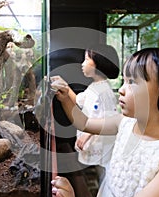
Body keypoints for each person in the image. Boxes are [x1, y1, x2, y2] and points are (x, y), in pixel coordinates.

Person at [50, 47, 159, 197]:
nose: (122, 90)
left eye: (132, 81)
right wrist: (65, 99)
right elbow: (84, 123)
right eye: (124, 81)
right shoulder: (125, 123)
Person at [51, 44, 120, 177]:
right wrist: (64, 85)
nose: (82, 64)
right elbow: (78, 100)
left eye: (86, 59)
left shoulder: (104, 90)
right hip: (94, 140)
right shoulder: (95, 86)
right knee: (98, 171)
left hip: (99, 142)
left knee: (103, 173)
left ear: (98, 64)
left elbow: (109, 118)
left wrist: (87, 135)